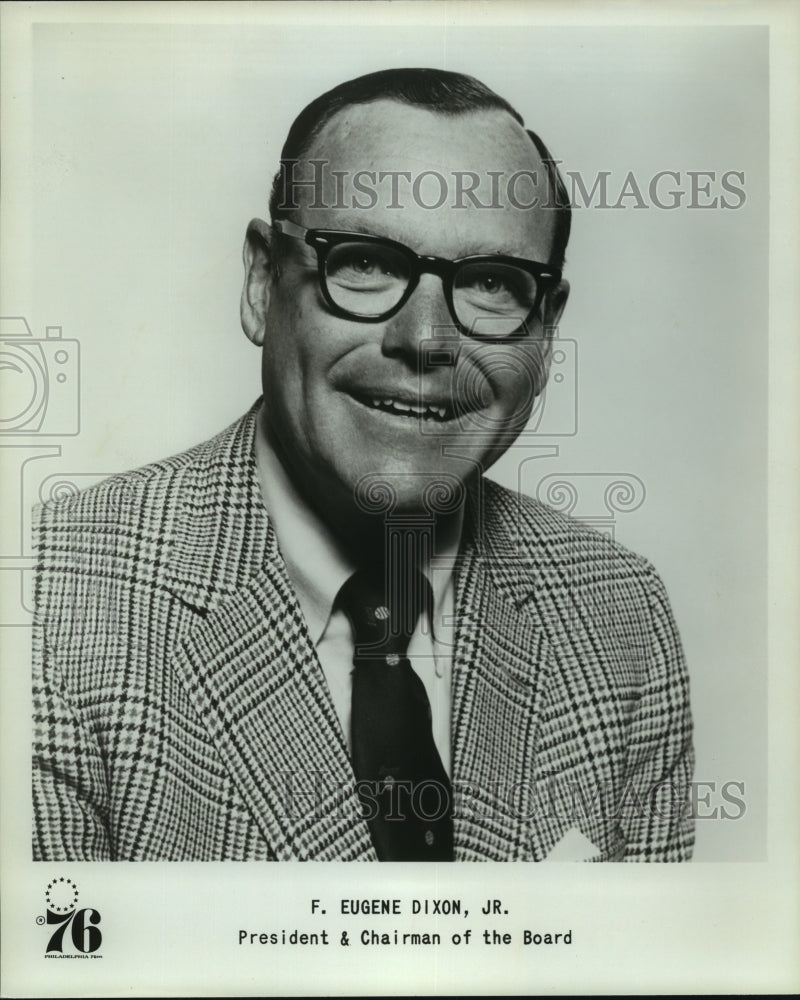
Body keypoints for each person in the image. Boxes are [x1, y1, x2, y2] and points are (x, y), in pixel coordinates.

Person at [32, 68, 694, 862]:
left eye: (490, 282)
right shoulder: (48, 608)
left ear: (545, 331)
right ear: (259, 283)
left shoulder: (620, 614)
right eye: (366, 262)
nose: (424, 339)